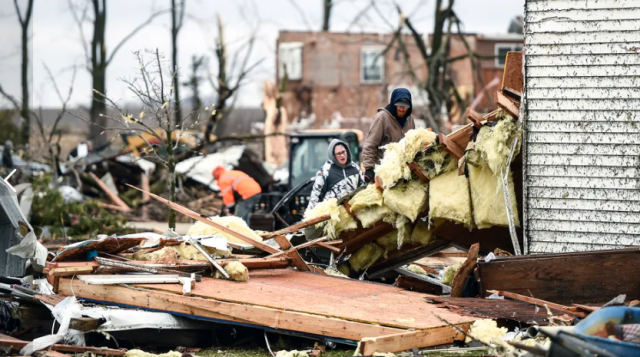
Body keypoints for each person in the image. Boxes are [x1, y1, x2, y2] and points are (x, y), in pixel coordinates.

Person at [361, 88, 416, 183]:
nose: (402, 109)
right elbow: (370, 145)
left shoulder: (410, 120)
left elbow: (414, 144)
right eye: (399, 105)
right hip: (383, 172)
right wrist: (369, 168)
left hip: (403, 173)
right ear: (393, 103)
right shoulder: (381, 118)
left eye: (405, 106)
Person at [307, 139, 363, 210]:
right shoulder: (325, 171)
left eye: (343, 152)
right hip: (332, 216)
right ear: (333, 155)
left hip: (352, 214)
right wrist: (309, 215)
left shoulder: (356, 168)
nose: (342, 155)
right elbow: (316, 195)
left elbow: (362, 190)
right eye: (339, 153)